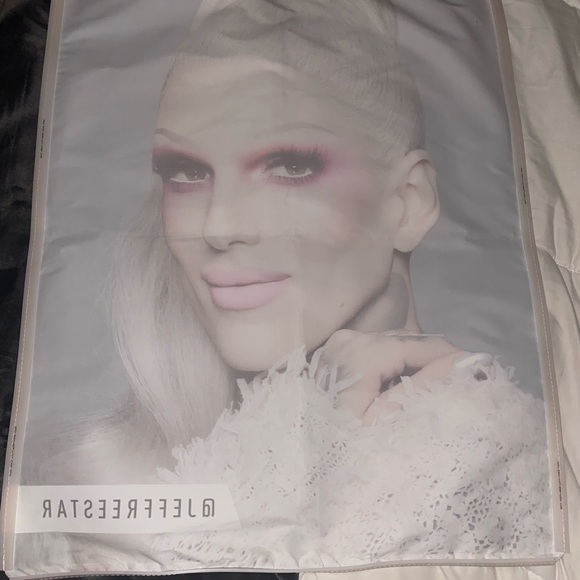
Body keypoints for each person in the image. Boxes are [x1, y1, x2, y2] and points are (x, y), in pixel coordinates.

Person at [24, 0, 551, 570]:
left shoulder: (497, 452)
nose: (220, 226)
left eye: (292, 166)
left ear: (408, 201)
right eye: (186, 172)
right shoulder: (88, 472)